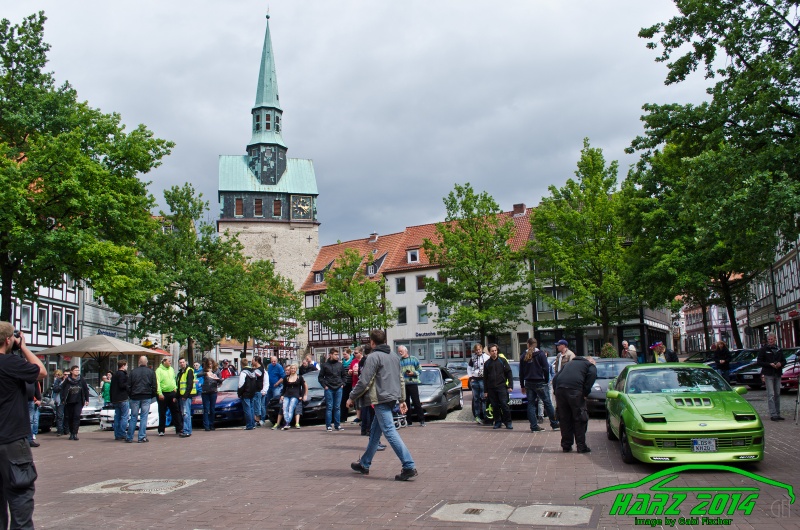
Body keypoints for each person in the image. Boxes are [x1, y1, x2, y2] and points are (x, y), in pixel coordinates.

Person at [348, 330, 417, 481]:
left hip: (380, 398)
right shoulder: (394, 356)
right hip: (392, 397)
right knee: (375, 432)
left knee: (389, 431)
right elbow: (400, 378)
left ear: (372, 342)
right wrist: (402, 399)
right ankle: (364, 463)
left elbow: (364, 381)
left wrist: (351, 397)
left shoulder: (373, 357)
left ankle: (408, 465)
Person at [0, 323, 47, 529]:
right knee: (20, 494)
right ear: (9, 340)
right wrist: (24, 348)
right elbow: (42, 372)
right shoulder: (9, 363)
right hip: (11, 439)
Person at [552, 350, 597, 453]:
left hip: (560, 391)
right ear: (591, 361)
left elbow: (556, 378)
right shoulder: (590, 365)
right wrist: (585, 393)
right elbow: (592, 376)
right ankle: (581, 446)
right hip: (575, 392)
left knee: (564, 419)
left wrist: (556, 391)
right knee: (580, 418)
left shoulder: (568, 364)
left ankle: (566, 445)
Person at [519, 338, 559, 432]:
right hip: (540, 381)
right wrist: (546, 379)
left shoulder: (523, 355)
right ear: (536, 344)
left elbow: (521, 372)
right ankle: (554, 424)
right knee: (547, 403)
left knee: (531, 404)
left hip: (528, 382)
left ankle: (534, 426)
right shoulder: (540, 354)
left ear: (528, 344)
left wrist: (522, 385)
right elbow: (546, 368)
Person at [127, 355, 158, 443]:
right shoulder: (151, 372)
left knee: (133, 417)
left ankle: (129, 437)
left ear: (139, 362)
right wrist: (151, 395)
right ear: (146, 362)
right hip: (146, 396)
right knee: (144, 417)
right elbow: (154, 386)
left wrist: (131, 395)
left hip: (135, 396)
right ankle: (141, 437)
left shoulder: (133, 372)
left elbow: (128, 386)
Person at [483, 344, 513, 430]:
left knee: (504, 405)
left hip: (502, 387)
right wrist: (486, 391)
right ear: (489, 352)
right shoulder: (487, 363)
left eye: (495, 350)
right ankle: (497, 421)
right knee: (495, 406)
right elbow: (485, 378)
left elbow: (509, 373)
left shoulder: (502, 361)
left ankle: (508, 422)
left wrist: (510, 385)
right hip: (491, 388)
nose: (494, 352)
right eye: (492, 351)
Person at [757, 333, 786, 421]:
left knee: (777, 394)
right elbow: (759, 362)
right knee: (771, 394)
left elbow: (784, 361)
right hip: (768, 373)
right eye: (769, 339)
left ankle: (778, 413)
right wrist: (769, 364)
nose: (770, 341)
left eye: (772, 339)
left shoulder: (779, 349)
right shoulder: (764, 349)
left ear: (775, 339)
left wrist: (780, 364)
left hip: (777, 373)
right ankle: (773, 414)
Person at [319, 349, 347, 431]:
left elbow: (344, 376)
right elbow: (320, 377)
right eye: (335, 354)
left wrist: (343, 384)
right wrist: (324, 385)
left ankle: (337, 425)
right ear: (330, 355)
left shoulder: (340, 365)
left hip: (338, 387)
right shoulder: (325, 365)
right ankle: (328, 425)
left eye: (337, 354)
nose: (337, 356)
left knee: (337, 407)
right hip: (329, 388)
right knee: (329, 407)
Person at [60, 365, 89, 441]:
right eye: (76, 370)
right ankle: (71, 433)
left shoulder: (81, 379)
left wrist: (87, 399)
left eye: (78, 370)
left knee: (76, 416)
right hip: (69, 401)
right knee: (70, 417)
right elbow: (62, 389)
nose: (77, 372)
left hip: (78, 401)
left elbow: (86, 389)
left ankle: (75, 433)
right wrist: (62, 399)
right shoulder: (67, 380)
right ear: (72, 371)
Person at [398, 345, 425, 426]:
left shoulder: (414, 359)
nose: (400, 353)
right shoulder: (399, 361)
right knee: (406, 402)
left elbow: (420, 369)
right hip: (403, 384)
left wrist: (413, 373)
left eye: (401, 351)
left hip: (412, 383)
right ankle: (408, 421)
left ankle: (422, 420)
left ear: (406, 351)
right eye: (399, 351)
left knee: (416, 401)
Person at [155, 357, 182, 437]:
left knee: (176, 411)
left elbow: (174, 379)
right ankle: (161, 430)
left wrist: (175, 388)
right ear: (164, 362)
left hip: (172, 392)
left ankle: (178, 428)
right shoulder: (158, 370)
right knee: (162, 412)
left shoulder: (171, 369)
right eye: (168, 361)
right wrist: (159, 393)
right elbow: (157, 382)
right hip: (163, 393)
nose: (170, 362)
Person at [277, 364, 307, 430]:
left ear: (296, 369)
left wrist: (301, 396)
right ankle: (287, 423)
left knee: (291, 408)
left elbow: (304, 387)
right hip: (287, 394)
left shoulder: (300, 377)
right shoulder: (286, 378)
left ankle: (287, 423)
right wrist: (282, 395)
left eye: (294, 368)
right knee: (285, 408)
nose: (292, 370)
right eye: (291, 368)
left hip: (295, 395)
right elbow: (284, 388)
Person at [467, 343, 489, 424]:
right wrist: (470, 377)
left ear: (482, 349)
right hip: (475, 379)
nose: (478, 351)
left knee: (483, 398)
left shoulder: (486, 357)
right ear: (475, 351)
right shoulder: (473, 358)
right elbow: (469, 368)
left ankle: (485, 416)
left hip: (483, 379)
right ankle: (477, 416)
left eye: (479, 349)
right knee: (476, 399)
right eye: (476, 350)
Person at [110, 360, 130, 441]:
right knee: (124, 416)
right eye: (126, 365)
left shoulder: (115, 374)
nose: (127, 367)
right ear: (123, 366)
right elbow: (122, 385)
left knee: (117, 417)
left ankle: (117, 434)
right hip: (122, 398)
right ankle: (122, 433)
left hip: (115, 398)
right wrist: (128, 384)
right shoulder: (122, 374)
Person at [176, 358, 197, 438]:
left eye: (183, 362)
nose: (182, 364)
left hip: (186, 396)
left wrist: (185, 395)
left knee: (186, 414)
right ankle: (187, 430)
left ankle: (187, 431)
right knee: (184, 413)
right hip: (182, 396)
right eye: (180, 362)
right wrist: (177, 396)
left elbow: (189, 384)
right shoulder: (180, 372)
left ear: (186, 362)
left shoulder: (189, 370)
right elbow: (178, 385)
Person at [238, 359, 259, 430]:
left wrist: (239, 393)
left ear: (241, 364)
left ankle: (249, 425)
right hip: (252, 392)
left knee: (247, 409)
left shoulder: (243, 372)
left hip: (245, 393)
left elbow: (241, 384)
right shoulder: (252, 371)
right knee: (252, 408)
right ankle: (253, 424)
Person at [200, 358, 221, 431]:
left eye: (211, 364)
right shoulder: (204, 370)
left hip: (213, 391)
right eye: (208, 364)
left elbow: (220, 380)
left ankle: (211, 424)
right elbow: (198, 375)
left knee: (212, 409)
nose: (210, 365)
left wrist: (217, 379)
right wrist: (205, 373)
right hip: (205, 391)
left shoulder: (217, 370)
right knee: (206, 409)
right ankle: (206, 426)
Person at [348, 347, 363, 424]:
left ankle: (363, 417)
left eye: (356, 353)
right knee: (356, 401)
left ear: (361, 353)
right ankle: (358, 417)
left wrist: (359, 373)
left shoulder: (363, 361)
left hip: (361, 383)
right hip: (355, 383)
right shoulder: (353, 361)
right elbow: (349, 371)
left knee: (362, 401)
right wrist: (350, 372)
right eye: (354, 353)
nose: (355, 354)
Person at [51, 369, 66, 437]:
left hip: (64, 400)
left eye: (57, 375)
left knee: (62, 415)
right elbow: (55, 389)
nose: (56, 376)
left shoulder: (62, 381)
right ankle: (60, 430)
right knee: (59, 415)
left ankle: (64, 429)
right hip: (59, 400)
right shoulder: (58, 381)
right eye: (55, 375)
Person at [28, 381, 42, 447]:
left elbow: (36, 387)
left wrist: (39, 398)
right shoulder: (20, 373)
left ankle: (30, 440)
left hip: (30, 400)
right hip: (20, 400)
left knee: (30, 421)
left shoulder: (32, 375)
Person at [340, 348, 353, 418]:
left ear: (349, 354)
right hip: (345, 383)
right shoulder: (342, 362)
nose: (344, 356)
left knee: (351, 399)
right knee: (344, 399)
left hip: (351, 382)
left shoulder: (352, 361)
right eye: (343, 354)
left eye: (345, 354)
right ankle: (343, 416)